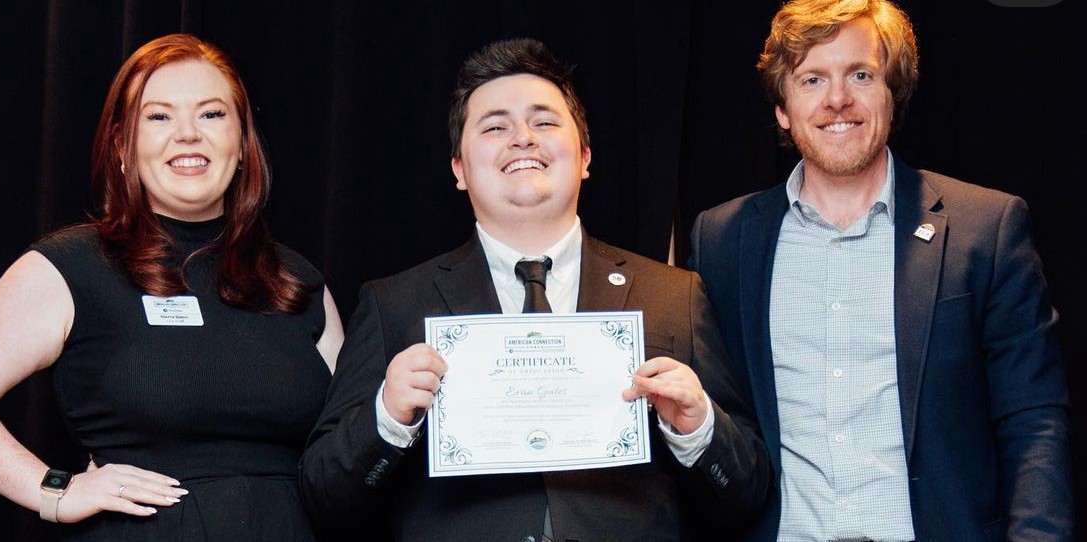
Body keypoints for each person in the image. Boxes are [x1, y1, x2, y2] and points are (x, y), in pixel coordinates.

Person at [299, 37, 770, 541]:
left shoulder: (673, 295)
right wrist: (387, 419)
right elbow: (324, 499)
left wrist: (699, 429)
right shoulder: (394, 304)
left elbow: (746, 497)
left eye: (544, 122)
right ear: (459, 168)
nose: (523, 138)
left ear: (585, 156)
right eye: (495, 126)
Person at [687, 0, 1073, 540]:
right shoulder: (721, 241)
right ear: (782, 107)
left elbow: (1033, 421)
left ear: (893, 93)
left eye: (861, 75)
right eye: (812, 79)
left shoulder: (986, 228)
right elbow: (727, 427)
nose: (837, 99)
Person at [0, 33, 344, 540]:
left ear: (243, 143)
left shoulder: (298, 281)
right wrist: (53, 491)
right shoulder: (71, 266)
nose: (187, 135)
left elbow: (345, 448)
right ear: (121, 146)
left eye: (211, 114)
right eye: (158, 117)